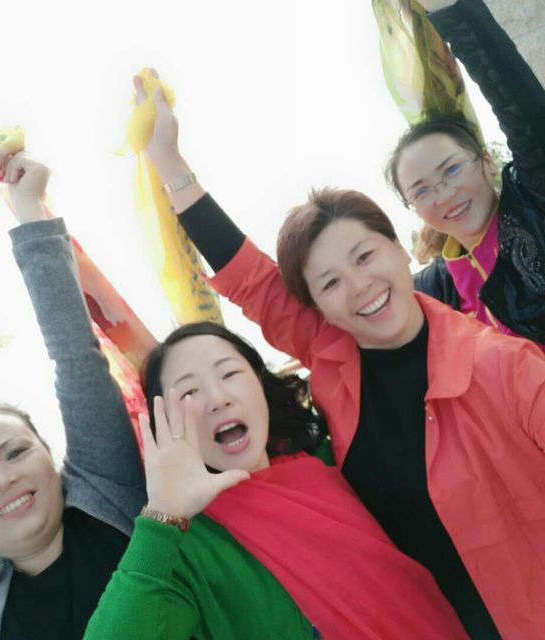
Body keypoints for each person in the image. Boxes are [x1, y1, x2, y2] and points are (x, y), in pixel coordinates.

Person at [136, 22, 545, 640]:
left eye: (364, 256)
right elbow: (252, 279)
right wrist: (168, 161)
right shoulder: (334, 356)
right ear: (319, 306)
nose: (358, 288)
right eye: (329, 282)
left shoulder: (507, 368)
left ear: (400, 247)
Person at [85, 320, 467, 640]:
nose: (218, 398)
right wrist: (162, 516)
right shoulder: (185, 551)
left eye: (229, 373)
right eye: (189, 392)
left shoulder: (336, 459)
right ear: (168, 423)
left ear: (260, 384)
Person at [0, 153, 147, 640]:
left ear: (48, 452)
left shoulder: (106, 484)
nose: (3, 479)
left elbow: (75, 356)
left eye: (15, 452)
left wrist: (29, 209)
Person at [385, 0, 545, 347]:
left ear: (487, 161)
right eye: (421, 191)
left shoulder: (535, 202)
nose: (443, 195)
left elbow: (520, 106)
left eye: (452, 169)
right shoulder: (433, 294)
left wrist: (446, 9)